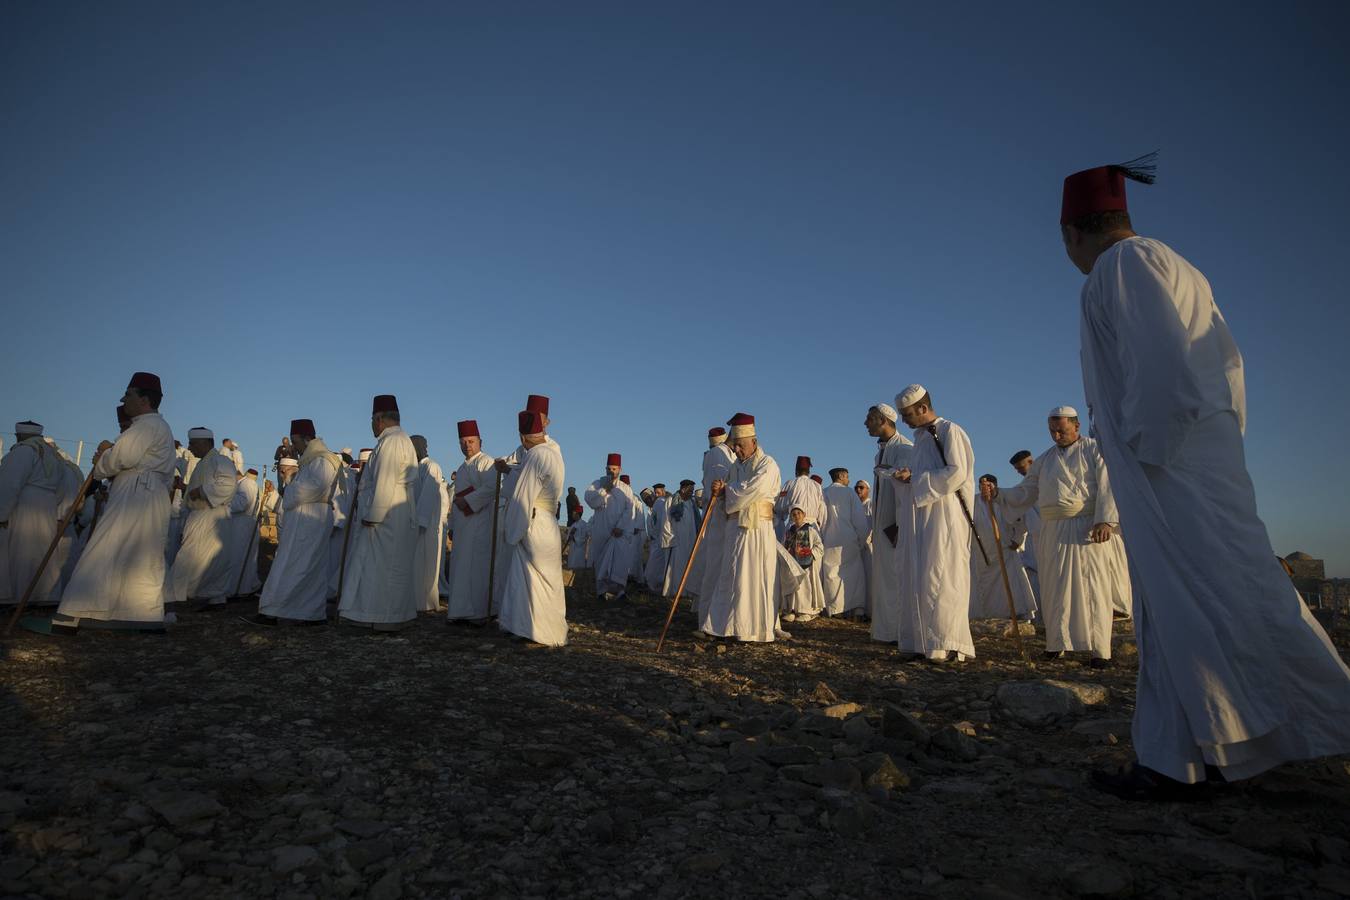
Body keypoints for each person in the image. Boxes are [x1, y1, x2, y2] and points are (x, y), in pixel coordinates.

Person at [1058, 157, 1350, 795]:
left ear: (1072, 231)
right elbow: (1229, 372)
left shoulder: (1123, 266)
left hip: (1170, 465)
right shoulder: (1176, 264)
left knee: (1225, 597)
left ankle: (1313, 717)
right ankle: (1185, 755)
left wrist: (1150, 455)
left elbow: (1165, 369)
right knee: (1181, 606)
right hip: (1194, 459)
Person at [988, 408, 1130, 665]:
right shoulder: (1044, 461)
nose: (1056, 436)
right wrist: (998, 494)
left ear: (1076, 426)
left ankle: (1100, 650)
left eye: (1061, 430)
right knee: (1055, 586)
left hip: (1086, 527)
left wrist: (1105, 520)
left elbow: (1109, 485)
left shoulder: (1095, 450)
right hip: (1052, 529)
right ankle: (1058, 642)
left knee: (1093, 586)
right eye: (1052, 431)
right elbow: (1026, 492)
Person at [53, 373, 177, 632]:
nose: (124, 400)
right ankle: (138, 614)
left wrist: (104, 456)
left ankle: (78, 609)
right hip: (145, 494)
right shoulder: (155, 426)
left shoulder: (145, 426)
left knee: (106, 546)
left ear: (144, 399)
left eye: (129, 395)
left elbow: (121, 458)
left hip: (135, 493)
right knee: (138, 555)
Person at [890, 385, 976, 663]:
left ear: (924, 409)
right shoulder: (920, 440)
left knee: (944, 575)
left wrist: (916, 480)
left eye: (907, 414)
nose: (904, 420)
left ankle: (949, 644)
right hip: (923, 516)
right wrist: (908, 475)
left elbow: (957, 472)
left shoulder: (951, 431)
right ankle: (922, 643)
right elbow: (924, 474)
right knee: (921, 575)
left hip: (946, 516)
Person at [699, 413, 788, 643]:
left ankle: (754, 629)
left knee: (754, 578)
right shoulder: (735, 467)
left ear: (754, 443)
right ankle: (729, 626)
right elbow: (731, 490)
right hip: (735, 530)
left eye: (741, 445)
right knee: (733, 577)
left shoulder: (768, 464)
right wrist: (719, 490)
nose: (737, 450)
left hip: (757, 530)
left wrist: (727, 490)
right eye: (735, 446)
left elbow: (751, 490)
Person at [246, 419, 340, 626]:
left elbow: (314, 487)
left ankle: (276, 611)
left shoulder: (323, 460)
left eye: (296, 442)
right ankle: (306, 612)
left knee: (296, 564)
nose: (294, 447)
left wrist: (290, 487)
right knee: (300, 564)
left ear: (307, 439)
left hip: (311, 518)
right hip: (306, 518)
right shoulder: (312, 460)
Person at [339, 394, 419, 631]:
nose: (371, 425)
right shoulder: (393, 440)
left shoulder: (393, 442)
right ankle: (376, 614)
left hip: (388, 515)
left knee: (385, 568)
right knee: (382, 567)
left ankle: (384, 616)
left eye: (372, 420)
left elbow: (386, 480)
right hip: (393, 511)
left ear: (380, 419)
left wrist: (374, 515)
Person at [498, 409, 567, 646]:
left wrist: (512, 529)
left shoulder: (536, 455)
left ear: (522, 437)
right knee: (534, 577)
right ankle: (522, 626)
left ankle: (543, 632)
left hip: (534, 521)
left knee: (536, 578)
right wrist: (510, 470)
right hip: (547, 521)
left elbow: (523, 496)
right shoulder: (552, 453)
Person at [164, 427, 239, 611]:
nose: (190, 448)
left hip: (210, 516)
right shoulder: (204, 462)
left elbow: (228, 484)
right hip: (202, 515)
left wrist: (203, 490)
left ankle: (172, 598)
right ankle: (215, 598)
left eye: (193, 444)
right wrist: (188, 487)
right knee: (211, 560)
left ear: (205, 443)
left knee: (189, 558)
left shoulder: (220, 460)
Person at [0, 421, 74, 607]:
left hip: (25, 508)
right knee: (42, 553)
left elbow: (9, 484)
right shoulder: (56, 457)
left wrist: (2, 514)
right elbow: (64, 489)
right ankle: (43, 597)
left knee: (21, 551)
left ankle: (19, 598)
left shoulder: (23, 452)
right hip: (48, 509)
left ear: (18, 436)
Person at [865, 402, 914, 643]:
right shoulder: (880, 452)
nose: (866, 424)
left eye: (870, 419)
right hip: (882, 525)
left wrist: (898, 525)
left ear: (883, 420)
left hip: (895, 526)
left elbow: (905, 488)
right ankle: (885, 631)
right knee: (884, 578)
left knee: (896, 578)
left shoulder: (904, 449)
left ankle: (898, 632)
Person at [445, 419, 498, 623]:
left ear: (480, 441)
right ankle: (459, 611)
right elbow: (455, 500)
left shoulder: (487, 463)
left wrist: (466, 500)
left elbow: (491, 488)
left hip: (480, 524)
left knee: (477, 568)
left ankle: (477, 613)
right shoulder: (462, 467)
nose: (467, 445)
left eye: (471, 441)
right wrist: (453, 526)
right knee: (461, 567)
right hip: (463, 526)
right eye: (463, 442)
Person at [969, 474, 1037, 625]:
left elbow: (1021, 519)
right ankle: (984, 615)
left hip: (1004, 549)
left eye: (987, 485)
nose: (984, 488)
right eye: (981, 485)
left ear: (994, 485)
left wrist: (1017, 539)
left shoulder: (1004, 499)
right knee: (982, 586)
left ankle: (1015, 615)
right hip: (981, 551)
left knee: (1009, 584)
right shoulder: (973, 501)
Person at [820, 467, 871, 619]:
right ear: (841, 477)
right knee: (854, 575)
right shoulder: (849, 493)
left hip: (829, 540)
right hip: (849, 540)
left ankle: (835, 609)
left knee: (831, 575)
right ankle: (857, 610)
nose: (849, 480)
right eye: (847, 477)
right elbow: (860, 521)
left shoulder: (824, 492)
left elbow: (821, 518)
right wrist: (861, 540)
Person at [695, 427, 735, 615]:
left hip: (725, 512)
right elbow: (718, 487)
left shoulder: (725, 453)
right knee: (715, 563)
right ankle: (710, 612)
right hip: (719, 513)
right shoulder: (717, 454)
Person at [585, 453, 636, 600]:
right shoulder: (597, 484)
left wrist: (620, 526)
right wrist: (604, 490)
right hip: (602, 530)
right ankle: (601, 592)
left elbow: (629, 509)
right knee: (601, 560)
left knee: (620, 562)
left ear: (619, 469)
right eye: (609, 468)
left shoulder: (625, 489)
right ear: (605, 468)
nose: (611, 471)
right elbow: (591, 501)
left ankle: (619, 592)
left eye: (614, 469)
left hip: (619, 532)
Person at [410, 434, 449, 614]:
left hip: (427, 523)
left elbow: (427, 495)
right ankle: (416, 599)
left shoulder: (431, 466)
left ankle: (426, 602)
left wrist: (420, 521)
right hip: (415, 522)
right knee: (417, 564)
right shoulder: (415, 468)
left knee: (427, 562)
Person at [225, 469, 264, 598]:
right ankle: (246, 586)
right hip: (244, 524)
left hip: (242, 525)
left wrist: (223, 503)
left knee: (238, 557)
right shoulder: (246, 483)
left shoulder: (246, 484)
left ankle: (238, 588)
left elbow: (242, 504)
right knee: (244, 558)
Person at [781, 506, 824, 622]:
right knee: (793, 587)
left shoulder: (810, 530)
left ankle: (806, 611)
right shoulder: (789, 531)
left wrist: (810, 553)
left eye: (799, 513)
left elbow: (819, 546)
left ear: (804, 515)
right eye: (794, 514)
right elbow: (784, 546)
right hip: (792, 565)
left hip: (806, 565)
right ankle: (792, 610)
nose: (797, 516)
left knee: (805, 587)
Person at [1008, 450, 1040, 598]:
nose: (1019, 472)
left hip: (1055, 532)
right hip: (1034, 539)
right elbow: (1021, 518)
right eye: (1017, 469)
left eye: (1021, 468)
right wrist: (1018, 540)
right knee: (1034, 572)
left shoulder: (1048, 479)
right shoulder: (1021, 489)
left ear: (1031, 462)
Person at [775, 456, 828, 542]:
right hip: (813, 529)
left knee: (791, 554)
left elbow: (780, 508)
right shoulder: (817, 486)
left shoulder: (789, 484)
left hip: (794, 527)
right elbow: (823, 513)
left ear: (796, 471)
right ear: (808, 472)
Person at [662, 480, 700, 597]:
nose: (691, 493)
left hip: (690, 539)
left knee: (690, 566)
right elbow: (666, 521)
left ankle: (688, 591)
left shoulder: (692, 503)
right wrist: (670, 537)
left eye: (692, 491)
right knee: (676, 567)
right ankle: (675, 591)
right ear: (683, 489)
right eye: (690, 490)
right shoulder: (671, 501)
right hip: (676, 540)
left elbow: (696, 521)